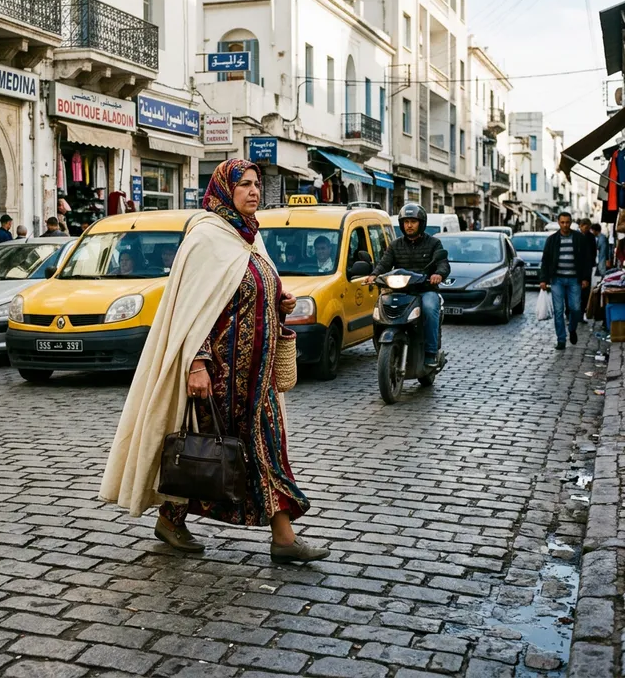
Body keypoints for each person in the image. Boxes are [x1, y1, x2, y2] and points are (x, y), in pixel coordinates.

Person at [100, 159, 328, 565]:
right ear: (225, 189)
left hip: (257, 378)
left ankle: (274, 535)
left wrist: (279, 301)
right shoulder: (206, 237)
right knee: (210, 450)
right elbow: (194, 309)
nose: (254, 191)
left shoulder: (249, 237)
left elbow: (250, 289)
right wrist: (197, 364)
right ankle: (275, 536)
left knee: (260, 448)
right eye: (244, 184)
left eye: (257, 184)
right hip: (221, 375)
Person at [365, 203, 450, 368]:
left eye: (413, 221)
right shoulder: (395, 245)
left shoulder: (434, 243)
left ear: (421, 223)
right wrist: (374, 275)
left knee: (429, 308)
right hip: (401, 291)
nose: (409, 225)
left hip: (425, 290)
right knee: (381, 307)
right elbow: (384, 263)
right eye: (406, 222)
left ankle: (431, 353)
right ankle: (381, 346)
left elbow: (443, 264)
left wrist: (438, 274)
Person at [539, 212, 593, 351]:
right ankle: (561, 339)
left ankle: (572, 328)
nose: (565, 225)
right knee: (558, 311)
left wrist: (586, 278)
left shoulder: (579, 238)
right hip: (557, 280)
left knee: (575, 308)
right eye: (562, 222)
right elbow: (545, 260)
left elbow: (587, 260)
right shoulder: (552, 240)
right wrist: (543, 279)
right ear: (558, 222)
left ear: (571, 222)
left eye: (567, 222)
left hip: (574, 279)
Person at [578, 218, 597, 319]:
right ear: (580, 226)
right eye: (583, 226)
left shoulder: (591, 237)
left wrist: (591, 263)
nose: (585, 228)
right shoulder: (576, 236)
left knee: (585, 291)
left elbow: (593, 252)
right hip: (576, 267)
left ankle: (581, 313)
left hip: (587, 267)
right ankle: (571, 313)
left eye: (587, 226)